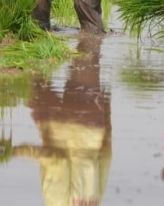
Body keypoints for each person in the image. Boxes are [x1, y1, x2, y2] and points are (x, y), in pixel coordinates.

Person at [12, 33, 112, 206]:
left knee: (86, 57)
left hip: (91, 123)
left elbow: (106, 153)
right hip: (57, 124)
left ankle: (38, 28)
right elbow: (56, 161)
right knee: (34, 68)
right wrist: (16, 152)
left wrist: (105, 113)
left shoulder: (96, 201)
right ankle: (33, 31)